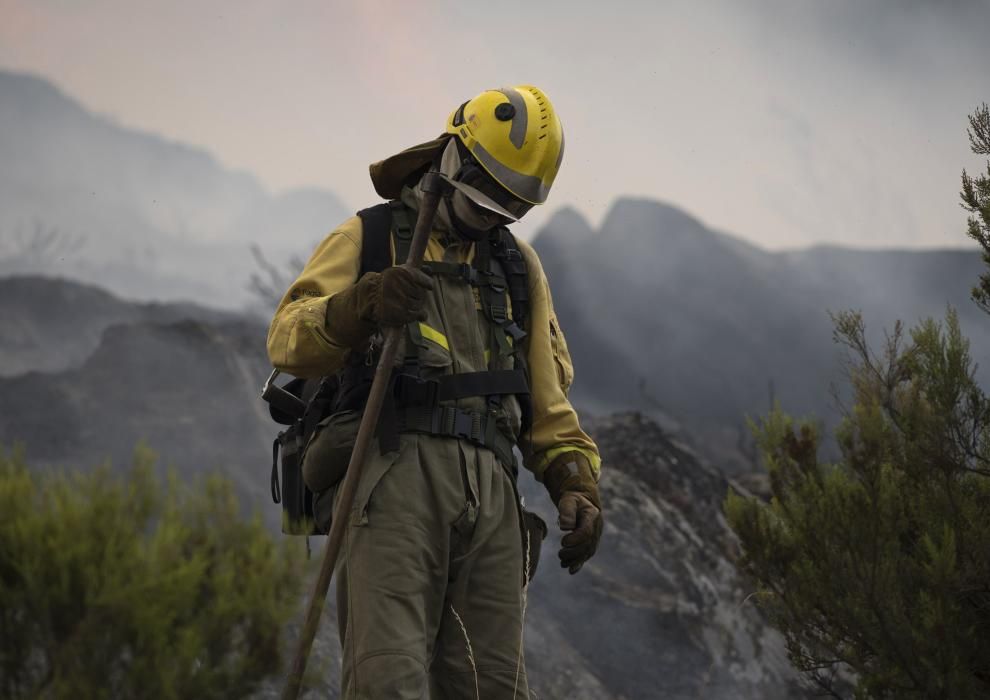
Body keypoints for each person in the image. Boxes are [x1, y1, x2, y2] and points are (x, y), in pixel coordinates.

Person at [267, 85, 603, 699]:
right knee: (387, 678)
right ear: (453, 156)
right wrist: (359, 305)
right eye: (483, 202)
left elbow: (547, 406)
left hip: (494, 503)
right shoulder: (369, 238)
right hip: (394, 482)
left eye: (507, 209)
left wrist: (574, 483)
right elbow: (288, 339)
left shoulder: (516, 269)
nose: (490, 217)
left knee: (490, 686)